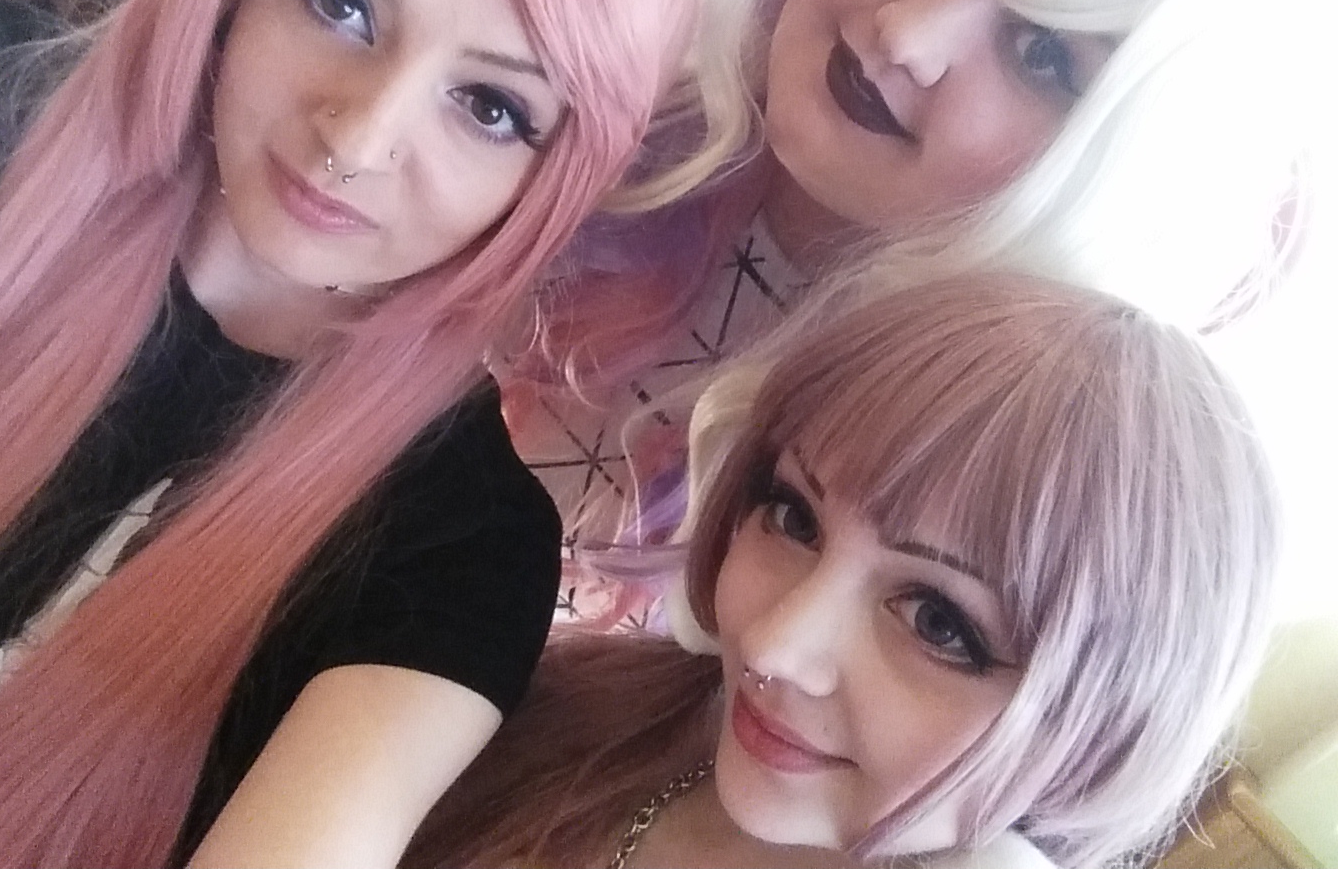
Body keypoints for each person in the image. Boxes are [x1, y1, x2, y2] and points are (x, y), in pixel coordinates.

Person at [0, 0, 703, 866]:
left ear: (550, 177)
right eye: (340, 0)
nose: (359, 140)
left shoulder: (459, 552)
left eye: (490, 107)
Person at [504, 0, 1331, 563]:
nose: (909, 38)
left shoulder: (999, 486)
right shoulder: (564, 35)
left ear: (1113, 185)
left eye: (1043, 55)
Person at [413, 274, 1280, 869]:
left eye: (939, 622)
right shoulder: (564, 706)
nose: (775, 647)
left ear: (1107, 725)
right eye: (793, 516)